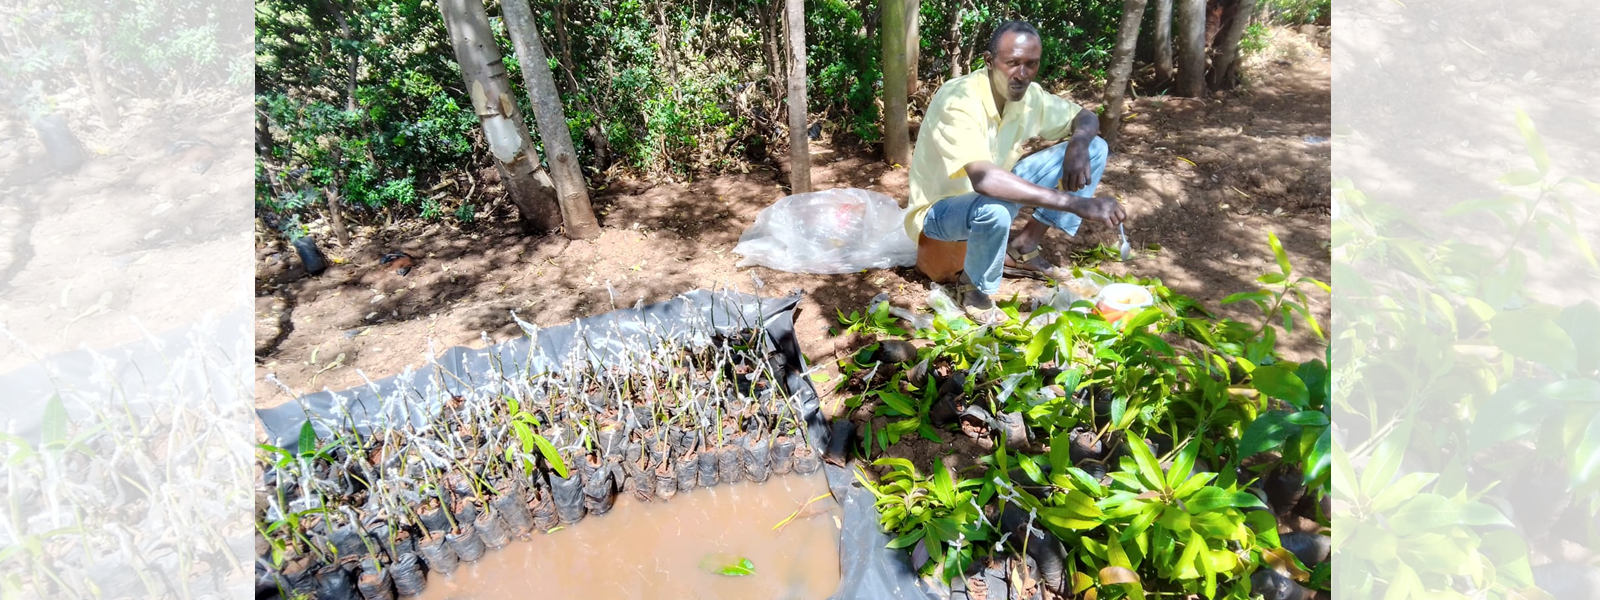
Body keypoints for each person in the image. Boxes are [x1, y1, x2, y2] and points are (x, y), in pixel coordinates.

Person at [905, 20, 1126, 322]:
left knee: (1095, 147)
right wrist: (1076, 203)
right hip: (940, 214)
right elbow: (985, 180)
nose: (1021, 75)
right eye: (1012, 63)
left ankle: (1023, 248)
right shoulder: (958, 100)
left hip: (990, 196)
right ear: (989, 61)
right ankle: (973, 289)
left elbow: (1085, 117)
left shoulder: (1028, 97)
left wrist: (1078, 143)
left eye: (1031, 65)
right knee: (994, 209)